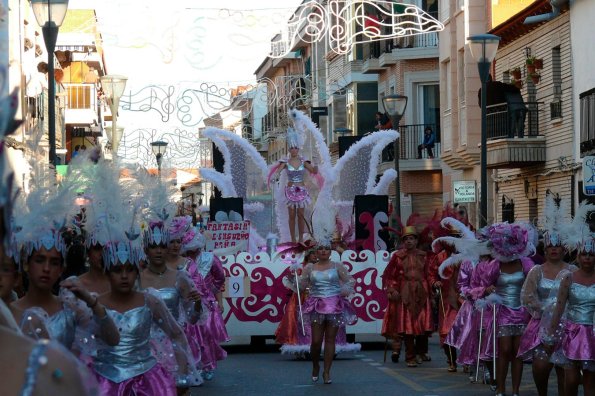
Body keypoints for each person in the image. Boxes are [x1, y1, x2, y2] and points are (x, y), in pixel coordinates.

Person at [518, 196, 574, 396]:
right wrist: (545, 310)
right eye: (550, 247)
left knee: (565, 372)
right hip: (542, 325)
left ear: (563, 249)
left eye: (557, 247)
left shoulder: (572, 271)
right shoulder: (536, 271)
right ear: (546, 249)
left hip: (568, 325)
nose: (554, 250)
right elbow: (527, 296)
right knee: (540, 368)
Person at [472, 222, 536, 396]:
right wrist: (488, 289)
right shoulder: (495, 265)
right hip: (503, 312)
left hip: (522, 312)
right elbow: (481, 286)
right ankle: (500, 388)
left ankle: (515, 391)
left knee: (518, 353)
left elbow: (534, 284)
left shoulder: (526, 264)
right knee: (504, 350)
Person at [284, 243, 357, 384]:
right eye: (320, 249)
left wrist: (340, 293)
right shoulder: (310, 268)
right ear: (316, 252)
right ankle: (316, 365)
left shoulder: (338, 266)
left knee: (330, 340)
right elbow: (302, 285)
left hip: (334, 307)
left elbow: (350, 281)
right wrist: (294, 278)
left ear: (330, 252)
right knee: (316, 341)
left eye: (326, 249)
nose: (323, 251)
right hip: (316, 307)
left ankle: (327, 372)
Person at [181, 227, 230, 380]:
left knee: (206, 336)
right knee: (190, 335)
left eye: (194, 248)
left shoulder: (210, 258)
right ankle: (192, 365)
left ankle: (207, 365)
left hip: (206, 304)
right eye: (189, 249)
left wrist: (210, 292)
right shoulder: (181, 262)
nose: (192, 252)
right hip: (187, 304)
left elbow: (220, 277)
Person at [382, 226, 433, 367]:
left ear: (416, 241)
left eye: (412, 238)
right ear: (403, 241)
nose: (409, 241)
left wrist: (433, 289)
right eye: (406, 239)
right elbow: (390, 275)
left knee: (421, 325)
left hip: (422, 293)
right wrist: (392, 289)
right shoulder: (397, 256)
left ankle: (420, 352)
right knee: (408, 326)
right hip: (404, 293)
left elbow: (429, 275)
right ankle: (410, 356)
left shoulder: (424, 255)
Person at [273, 127, 318, 243]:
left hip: (302, 190)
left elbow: (314, 171)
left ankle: (301, 238)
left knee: (301, 214)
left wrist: (316, 162)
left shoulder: (304, 161)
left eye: (295, 148)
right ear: (289, 149)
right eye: (291, 148)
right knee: (292, 215)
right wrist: (276, 175)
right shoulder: (285, 162)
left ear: (298, 149)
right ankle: (293, 239)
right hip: (290, 191)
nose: (293, 150)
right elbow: (278, 171)